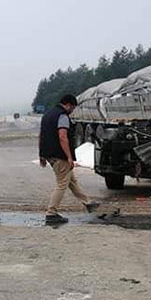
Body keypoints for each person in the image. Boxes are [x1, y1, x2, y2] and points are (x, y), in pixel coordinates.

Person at [39, 94, 99, 224]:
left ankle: (88, 203)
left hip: (49, 154)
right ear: (68, 105)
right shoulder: (62, 116)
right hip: (59, 155)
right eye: (72, 108)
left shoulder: (47, 114)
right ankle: (51, 213)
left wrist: (42, 155)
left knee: (71, 180)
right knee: (62, 184)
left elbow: (42, 135)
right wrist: (69, 157)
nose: (72, 111)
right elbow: (62, 137)